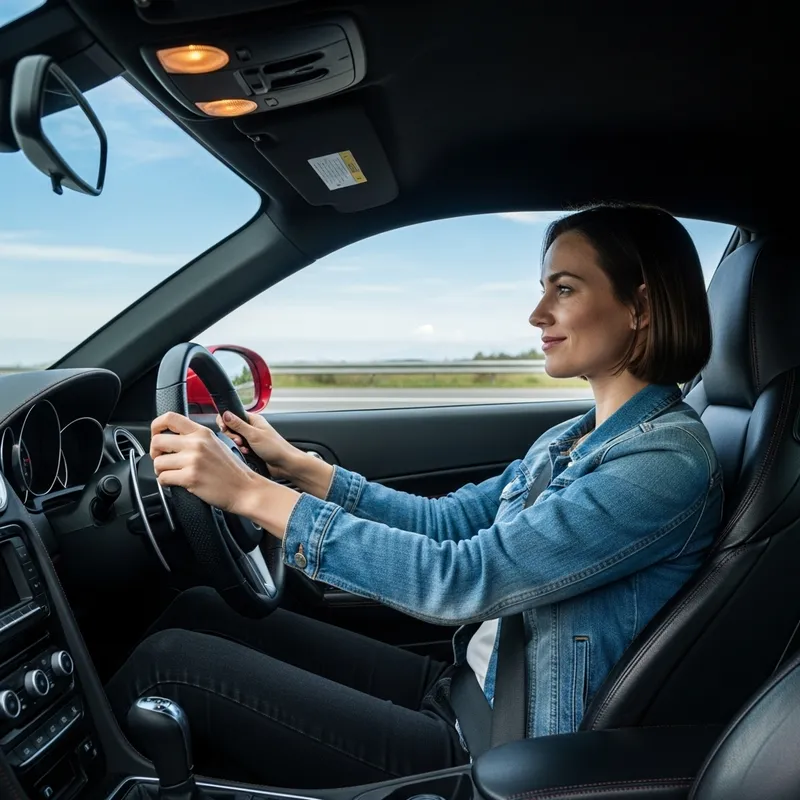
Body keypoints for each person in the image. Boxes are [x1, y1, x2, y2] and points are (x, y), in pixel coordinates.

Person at [105, 204, 723, 789]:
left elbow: (463, 578)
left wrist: (250, 494)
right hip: (467, 690)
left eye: (563, 289)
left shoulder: (662, 462)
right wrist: (302, 470)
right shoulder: (573, 436)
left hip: (497, 751)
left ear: (638, 306)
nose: (537, 314)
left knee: (170, 666)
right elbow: (450, 522)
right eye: (543, 289)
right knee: (197, 611)